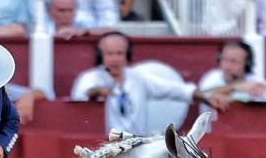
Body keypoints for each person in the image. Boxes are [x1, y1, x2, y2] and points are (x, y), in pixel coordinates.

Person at [70, 32, 229, 135]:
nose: (115, 59)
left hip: (134, 147)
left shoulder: (137, 77)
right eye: (110, 54)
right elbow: (83, 96)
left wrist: (207, 97)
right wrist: (97, 92)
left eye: (120, 53)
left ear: (128, 55)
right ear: (100, 56)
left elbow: (177, 91)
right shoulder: (89, 78)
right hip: (101, 151)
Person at [198, 41, 266, 106]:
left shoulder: (252, 79)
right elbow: (201, 95)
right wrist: (235, 87)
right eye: (224, 60)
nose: (227, 66)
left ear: (247, 65)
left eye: (234, 61)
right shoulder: (213, 78)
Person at [47, 0, 112, 38]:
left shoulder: (83, 23)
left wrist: (85, 31)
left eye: (70, 10)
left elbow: (112, 31)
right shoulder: (42, 28)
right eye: (61, 11)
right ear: (49, 11)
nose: (66, 15)